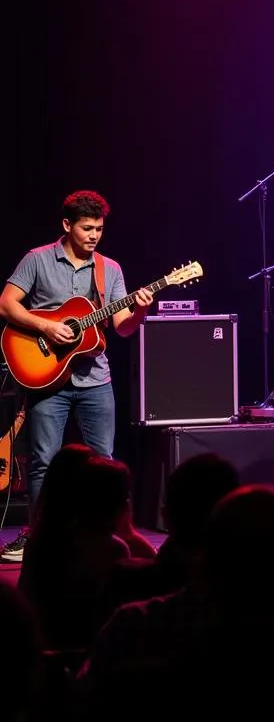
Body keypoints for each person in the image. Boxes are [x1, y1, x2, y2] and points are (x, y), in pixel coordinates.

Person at [0, 190, 154, 563]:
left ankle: (110, 538)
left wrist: (139, 313)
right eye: (87, 228)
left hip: (95, 380)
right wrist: (46, 327)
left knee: (105, 459)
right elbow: (6, 304)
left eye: (99, 229)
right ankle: (38, 539)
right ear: (67, 226)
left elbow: (121, 327)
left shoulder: (110, 269)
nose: (94, 235)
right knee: (43, 462)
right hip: (46, 377)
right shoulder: (37, 260)